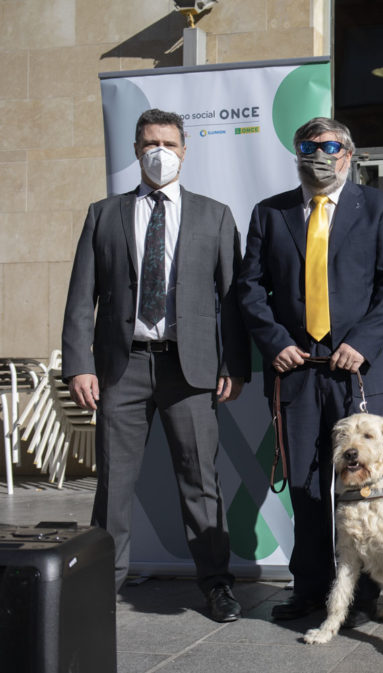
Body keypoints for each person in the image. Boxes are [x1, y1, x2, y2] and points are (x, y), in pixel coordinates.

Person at [61, 108, 249, 622]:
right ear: (136, 150)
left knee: (200, 481)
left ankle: (216, 586)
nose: (158, 151)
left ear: (185, 150)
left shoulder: (215, 215)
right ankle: (100, 588)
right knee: (114, 486)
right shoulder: (104, 214)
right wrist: (79, 365)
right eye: (148, 143)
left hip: (190, 371)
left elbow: (231, 298)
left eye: (168, 142)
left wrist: (235, 362)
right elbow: (82, 297)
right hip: (121, 370)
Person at [237, 117, 383, 623]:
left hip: (360, 370)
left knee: (366, 485)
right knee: (307, 485)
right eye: (308, 146)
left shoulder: (379, 207)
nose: (319, 154)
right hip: (298, 370)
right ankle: (311, 588)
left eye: (330, 146)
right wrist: (274, 342)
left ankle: (363, 594)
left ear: (348, 155)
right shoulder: (270, 214)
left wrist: (361, 342)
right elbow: (250, 288)